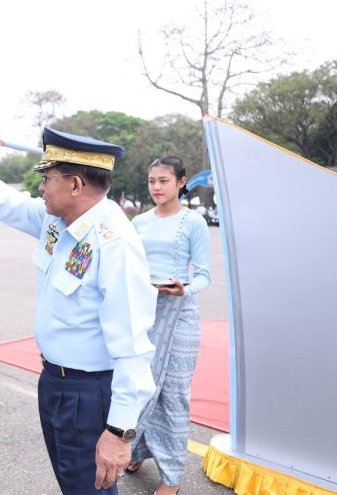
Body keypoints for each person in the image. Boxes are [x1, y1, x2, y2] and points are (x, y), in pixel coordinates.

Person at [0, 126, 157, 494]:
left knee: (89, 490)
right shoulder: (57, 220)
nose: (41, 187)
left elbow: (133, 346)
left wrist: (118, 432)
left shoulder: (114, 243)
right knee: (73, 486)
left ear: (75, 185)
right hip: (54, 382)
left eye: (47, 179)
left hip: (88, 393)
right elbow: (3, 199)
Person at [127, 156, 211, 495]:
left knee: (174, 395)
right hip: (145, 313)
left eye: (163, 180)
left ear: (181, 182)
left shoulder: (194, 222)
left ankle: (172, 477)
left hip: (180, 314)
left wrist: (184, 288)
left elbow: (204, 275)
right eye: (152, 181)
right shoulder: (139, 222)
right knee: (140, 388)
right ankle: (134, 451)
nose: (157, 187)